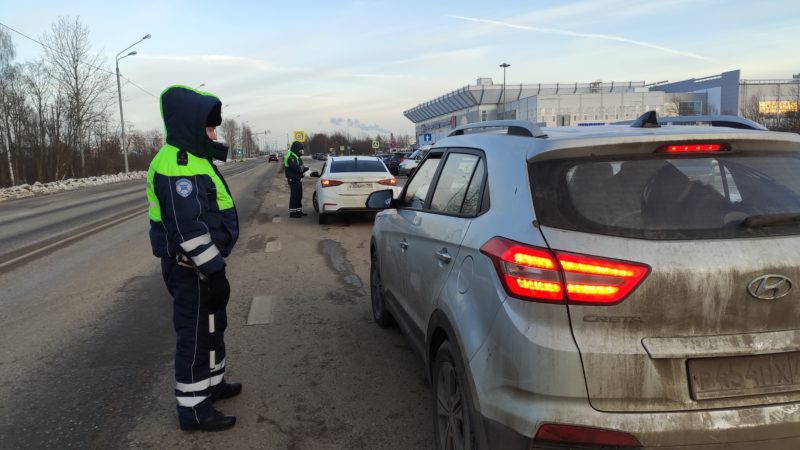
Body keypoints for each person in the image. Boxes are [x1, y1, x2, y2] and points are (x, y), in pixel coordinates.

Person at [146, 85, 241, 432]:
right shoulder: (177, 162)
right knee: (197, 334)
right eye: (210, 127)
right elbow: (188, 229)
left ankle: (213, 385)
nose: (215, 134)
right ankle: (194, 409)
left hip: (204, 265)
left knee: (214, 327)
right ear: (190, 126)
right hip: (193, 268)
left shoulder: (194, 157)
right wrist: (214, 271)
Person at [284, 140, 310, 217]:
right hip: (293, 179)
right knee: (294, 196)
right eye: (300, 149)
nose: (301, 151)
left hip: (297, 179)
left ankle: (298, 211)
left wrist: (305, 169)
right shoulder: (291, 157)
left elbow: (301, 167)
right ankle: (293, 213)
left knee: (299, 195)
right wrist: (306, 169)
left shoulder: (296, 157)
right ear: (296, 149)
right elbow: (297, 168)